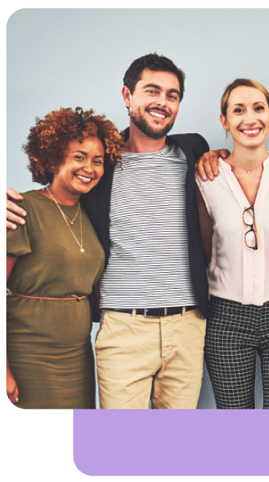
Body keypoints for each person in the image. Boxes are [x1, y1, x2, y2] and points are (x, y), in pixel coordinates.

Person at [7, 53, 211, 409]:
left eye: (172, 95)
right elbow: (51, 194)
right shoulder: (100, 163)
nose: (162, 102)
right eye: (152, 91)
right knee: (121, 449)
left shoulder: (192, 151)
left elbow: (254, 162)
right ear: (127, 96)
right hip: (123, 328)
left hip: (188, 327)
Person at [195, 79, 269, 409]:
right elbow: (209, 247)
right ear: (224, 121)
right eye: (238, 110)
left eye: (259, 108)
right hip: (227, 317)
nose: (250, 118)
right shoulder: (205, 177)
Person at [7, 107, 123, 408]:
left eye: (98, 161)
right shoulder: (22, 209)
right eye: (79, 157)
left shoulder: (93, 215)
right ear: (54, 156)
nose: (90, 168)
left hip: (78, 356)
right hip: (27, 354)